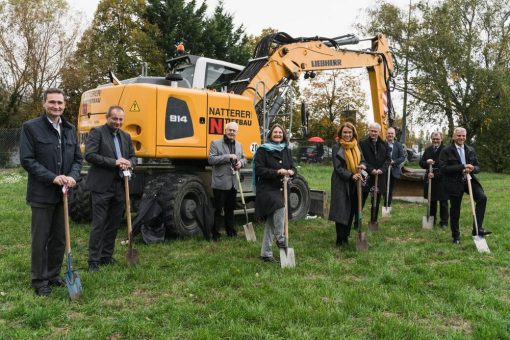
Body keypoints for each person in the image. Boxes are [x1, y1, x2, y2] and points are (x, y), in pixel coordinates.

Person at [19, 88, 83, 296]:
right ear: (44, 104)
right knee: (41, 239)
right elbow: (27, 160)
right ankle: (39, 281)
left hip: (63, 195)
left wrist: (73, 176)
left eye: (60, 103)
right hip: (41, 194)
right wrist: (52, 177)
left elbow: (77, 159)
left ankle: (53, 274)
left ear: (64, 105)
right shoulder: (31, 128)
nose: (57, 106)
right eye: (52, 102)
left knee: (59, 238)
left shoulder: (70, 128)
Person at [85, 106, 136, 271]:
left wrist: (129, 162)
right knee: (99, 224)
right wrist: (114, 162)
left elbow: (132, 157)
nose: (118, 122)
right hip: (101, 186)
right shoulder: (97, 133)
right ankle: (93, 260)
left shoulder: (126, 136)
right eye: (115, 119)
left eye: (121, 119)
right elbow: (90, 155)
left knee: (113, 223)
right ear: (107, 118)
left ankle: (106, 256)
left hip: (120, 186)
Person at [439, 127, 490, 244]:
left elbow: (478, 166)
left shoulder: (470, 149)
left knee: (482, 198)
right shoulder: (446, 151)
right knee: (455, 210)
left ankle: (477, 229)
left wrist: (473, 168)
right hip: (454, 183)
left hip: (469, 180)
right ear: (453, 136)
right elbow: (443, 169)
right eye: (459, 136)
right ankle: (456, 236)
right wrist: (462, 167)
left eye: (463, 136)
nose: (461, 138)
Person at [254, 124, 296, 263]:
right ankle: (281, 238)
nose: (277, 134)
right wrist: (277, 172)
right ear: (270, 135)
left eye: (280, 132)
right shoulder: (262, 150)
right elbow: (259, 170)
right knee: (280, 206)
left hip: (282, 188)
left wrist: (292, 172)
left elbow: (293, 168)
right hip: (266, 189)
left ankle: (266, 253)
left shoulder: (286, 150)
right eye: (275, 132)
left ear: (283, 135)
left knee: (271, 221)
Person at [328, 122, 366, 246]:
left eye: (349, 132)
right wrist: (351, 175)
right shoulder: (336, 147)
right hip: (341, 182)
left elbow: (363, 160)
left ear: (353, 133)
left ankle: (346, 237)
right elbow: (338, 168)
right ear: (341, 133)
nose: (347, 134)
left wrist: (363, 166)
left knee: (351, 210)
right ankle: (340, 239)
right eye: (345, 132)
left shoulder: (357, 146)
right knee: (341, 210)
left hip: (355, 183)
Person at [208, 122, 246, 240]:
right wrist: (228, 156)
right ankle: (215, 234)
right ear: (225, 130)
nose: (231, 132)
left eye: (234, 131)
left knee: (230, 209)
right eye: (229, 130)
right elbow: (211, 159)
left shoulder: (239, 145)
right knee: (218, 210)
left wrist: (241, 163)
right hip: (220, 183)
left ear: (237, 132)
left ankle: (231, 231)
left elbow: (244, 158)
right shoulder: (215, 143)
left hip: (233, 183)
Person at [359, 122, 391, 221]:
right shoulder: (363, 143)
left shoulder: (384, 144)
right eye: (372, 131)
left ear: (379, 132)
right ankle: (357, 221)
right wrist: (370, 169)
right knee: (361, 198)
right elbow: (361, 159)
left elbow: (388, 159)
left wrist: (382, 169)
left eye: (375, 131)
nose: (373, 133)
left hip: (379, 176)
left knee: (376, 199)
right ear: (369, 131)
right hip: (366, 176)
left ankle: (373, 220)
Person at [419, 131, 449, 228]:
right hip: (430, 179)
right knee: (432, 201)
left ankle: (444, 222)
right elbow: (421, 163)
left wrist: (435, 174)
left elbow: (447, 166)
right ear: (431, 139)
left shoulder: (446, 150)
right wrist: (427, 162)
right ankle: (432, 220)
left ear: (441, 139)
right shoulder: (428, 150)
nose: (435, 140)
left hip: (442, 179)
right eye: (434, 139)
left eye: (437, 139)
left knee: (443, 202)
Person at [384, 127, 406, 208]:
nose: (390, 135)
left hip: (393, 171)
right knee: (383, 189)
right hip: (383, 170)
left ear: (394, 135)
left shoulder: (398, 145)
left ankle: (387, 206)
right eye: (389, 133)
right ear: (386, 134)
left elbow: (402, 157)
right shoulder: (382, 144)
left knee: (390, 190)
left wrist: (394, 162)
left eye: (392, 133)